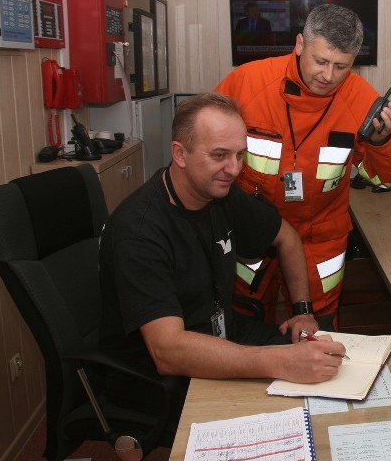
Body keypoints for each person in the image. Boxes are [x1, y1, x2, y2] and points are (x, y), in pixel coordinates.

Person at [99, 93, 346, 410]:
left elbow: (287, 238)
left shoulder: (220, 193)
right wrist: (278, 361)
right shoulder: (139, 233)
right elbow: (167, 351)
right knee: (291, 403)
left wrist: (302, 310)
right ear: (180, 153)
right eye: (219, 155)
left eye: (240, 155)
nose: (234, 169)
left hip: (225, 334)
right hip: (159, 376)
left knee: (327, 362)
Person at [215, 3, 391, 328]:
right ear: (300, 44)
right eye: (320, 61)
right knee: (243, 318)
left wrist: (381, 142)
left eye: (341, 66)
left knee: (317, 327)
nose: (328, 76)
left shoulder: (364, 101)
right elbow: (205, 147)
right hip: (251, 227)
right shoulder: (248, 82)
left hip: (321, 237)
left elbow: (390, 178)